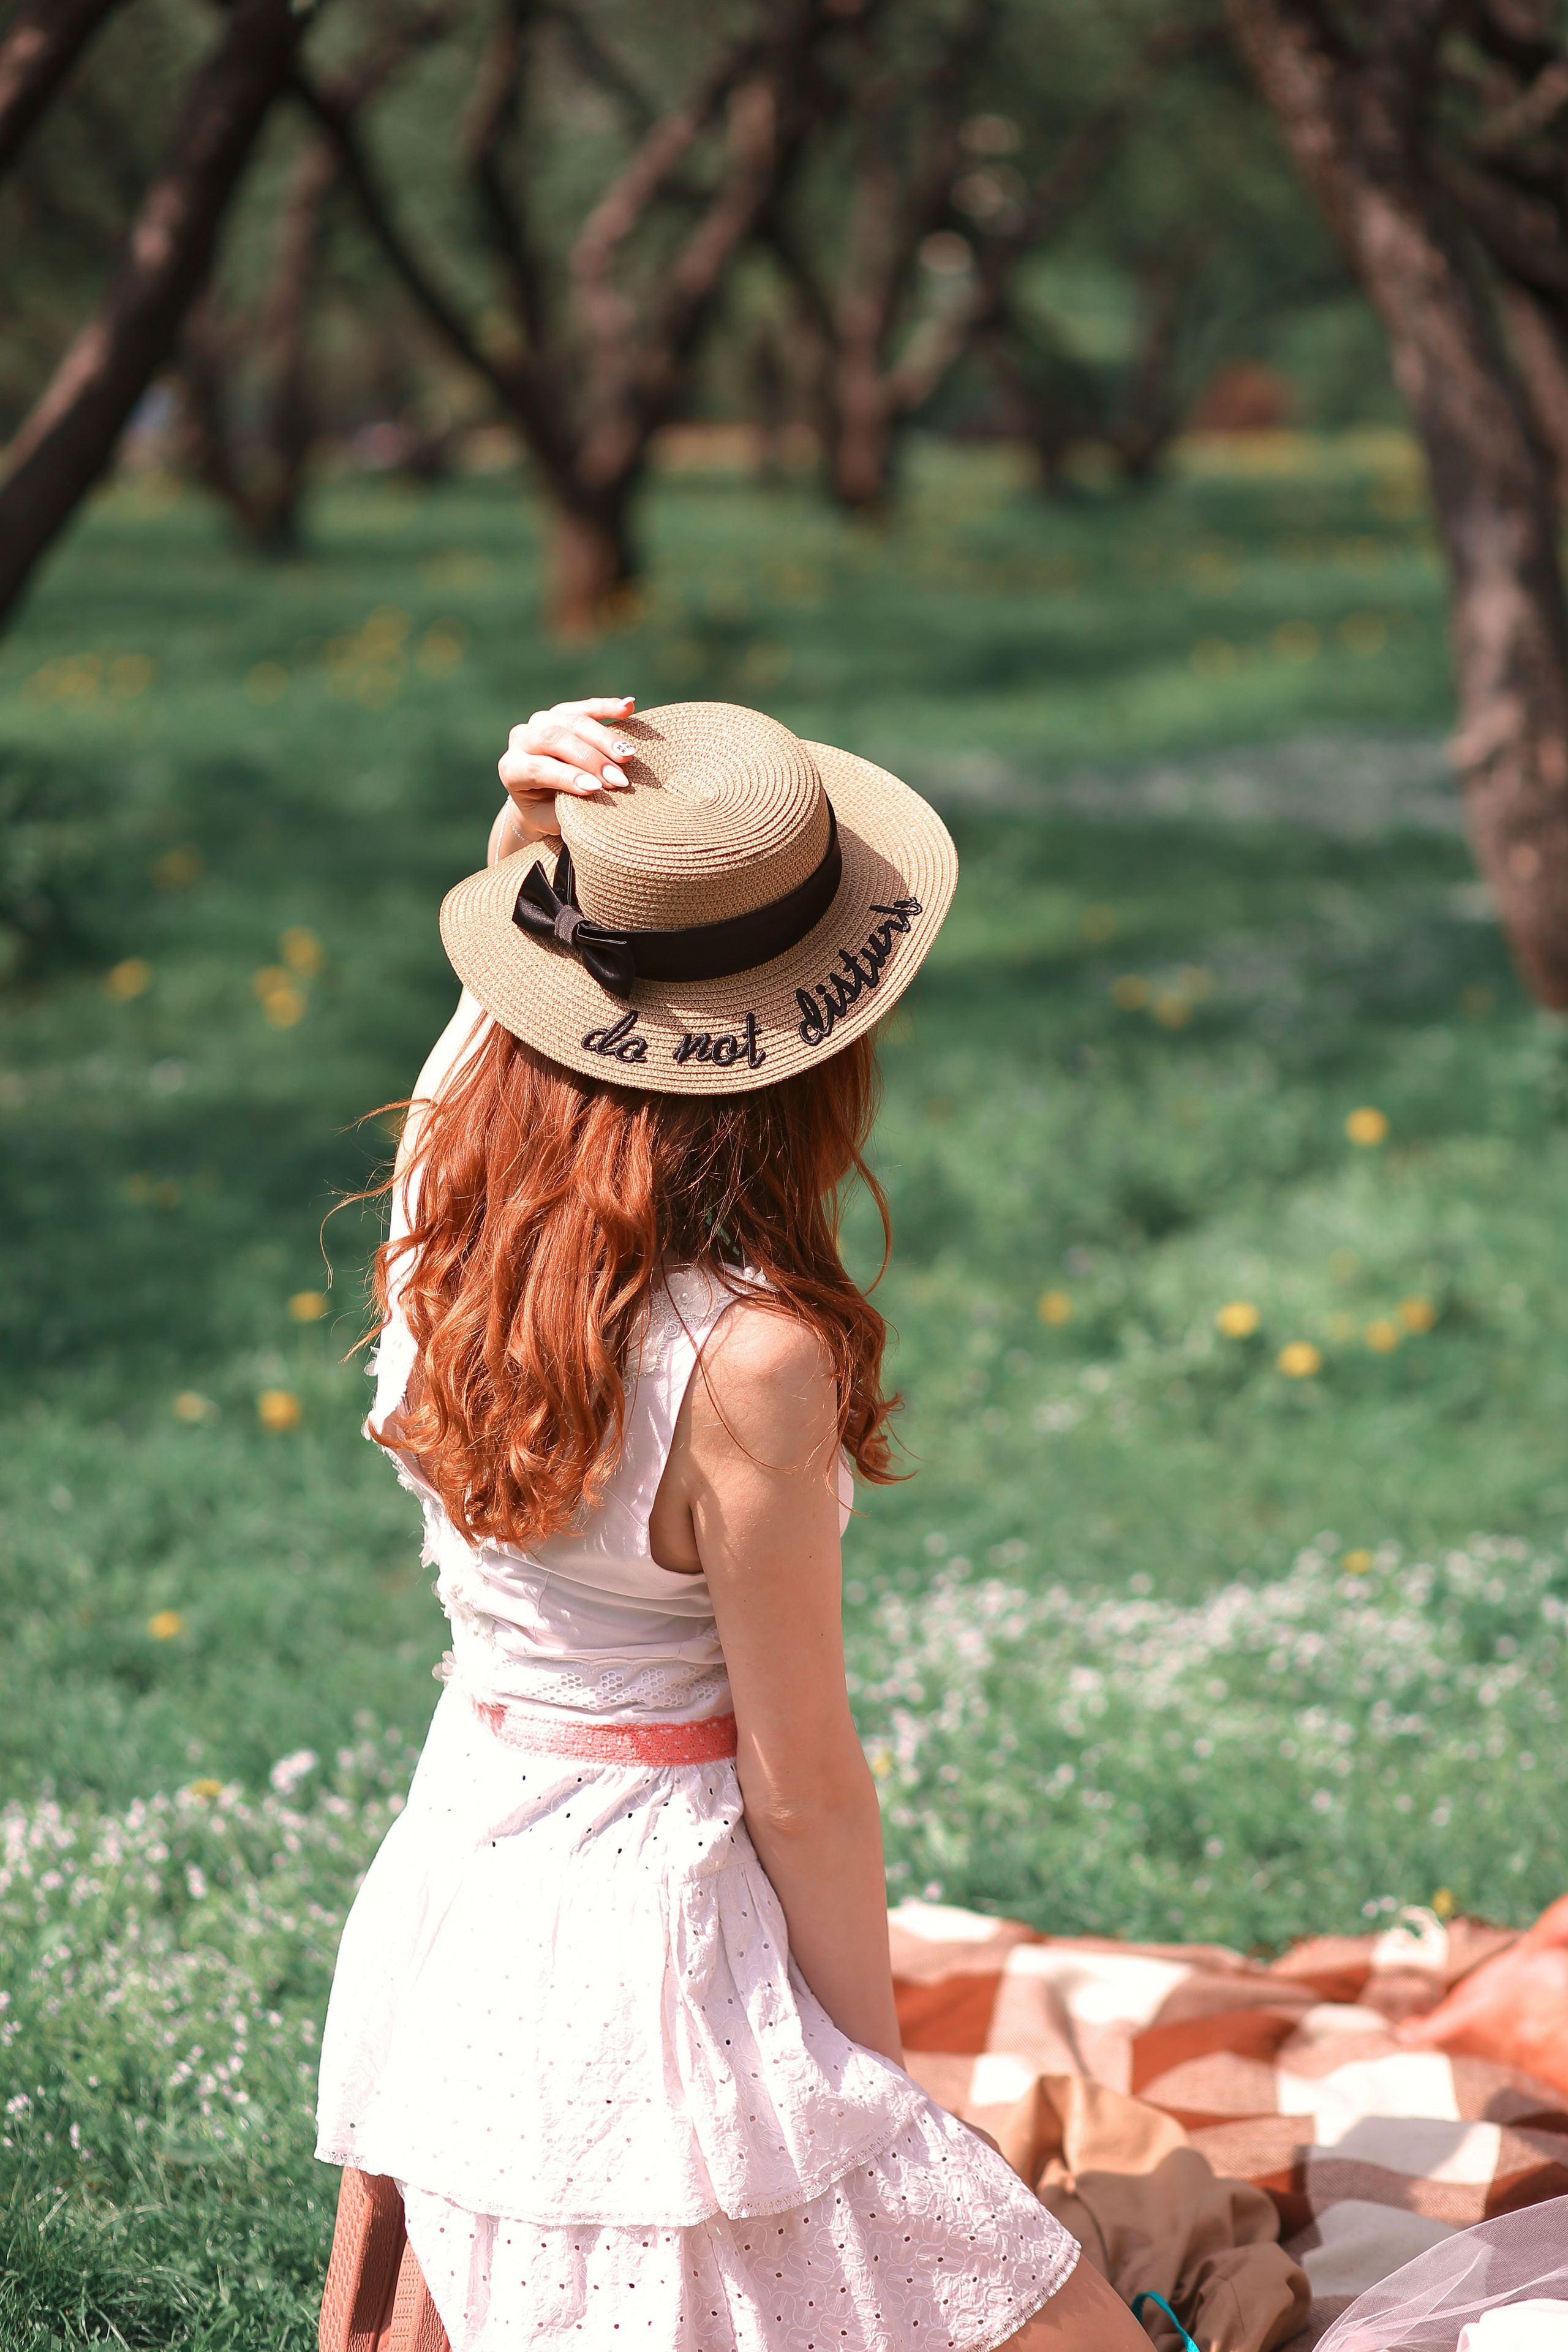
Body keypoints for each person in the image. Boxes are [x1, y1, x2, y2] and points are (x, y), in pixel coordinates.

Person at [314, 696, 1150, 2352]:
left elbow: (498, 1014)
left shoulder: (449, 1187)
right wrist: (867, 2097)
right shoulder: (748, 1358)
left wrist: (538, 841)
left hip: (471, 1871)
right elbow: (800, 1786)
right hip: (658, 1940)